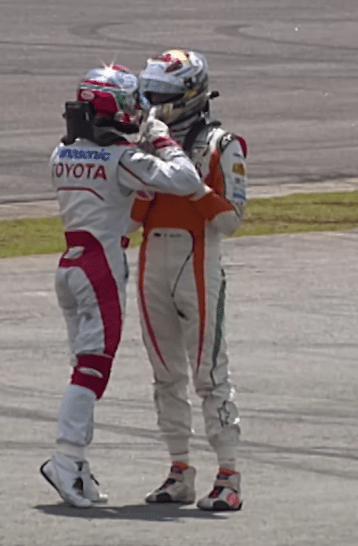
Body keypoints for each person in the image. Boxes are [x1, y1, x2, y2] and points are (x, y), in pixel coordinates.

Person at [40, 63, 212, 508]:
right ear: (110, 109)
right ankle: (65, 458)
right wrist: (161, 139)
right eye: (131, 103)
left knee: (83, 364)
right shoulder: (122, 159)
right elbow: (187, 180)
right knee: (93, 368)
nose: (138, 110)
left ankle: (75, 465)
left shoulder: (60, 154)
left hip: (69, 263)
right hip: (100, 265)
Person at [132, 49, 248, 511]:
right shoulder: (142, 142)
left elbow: (233, 220)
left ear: (189, 94)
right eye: (150, 93)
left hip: (198, 261)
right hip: (151, 261)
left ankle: (230, 475)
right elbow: (129, 221)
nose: (152, 102)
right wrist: (144, 175)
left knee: (209, 373)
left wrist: (192, 185)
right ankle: (179, 470)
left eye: (161, 94)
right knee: (165, 375)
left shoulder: (222, 144)